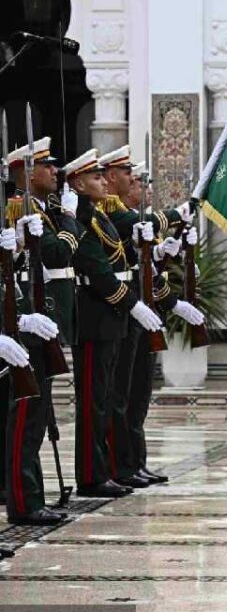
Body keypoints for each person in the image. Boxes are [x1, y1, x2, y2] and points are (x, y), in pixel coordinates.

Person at [66, 149, 165, 498]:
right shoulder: (79, 217)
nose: (104, 181)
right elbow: (98, 271)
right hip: (96, 319)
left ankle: (107, 469)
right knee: (95, 401)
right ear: (78, 183)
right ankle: (92, 476)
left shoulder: (96, 215)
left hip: (111, 318)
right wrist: (134, 305)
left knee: (109, 398)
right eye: (96, 177)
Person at [3, 137, 86, 525]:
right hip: (24, 326)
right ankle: (24, 499)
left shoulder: (40, 210)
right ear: (24, 171)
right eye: (47, 165)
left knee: (35, 419)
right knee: (25, 418)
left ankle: (29, 495)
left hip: (40, 321)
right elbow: (56, 254)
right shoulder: (20, 209)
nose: (56, 172)